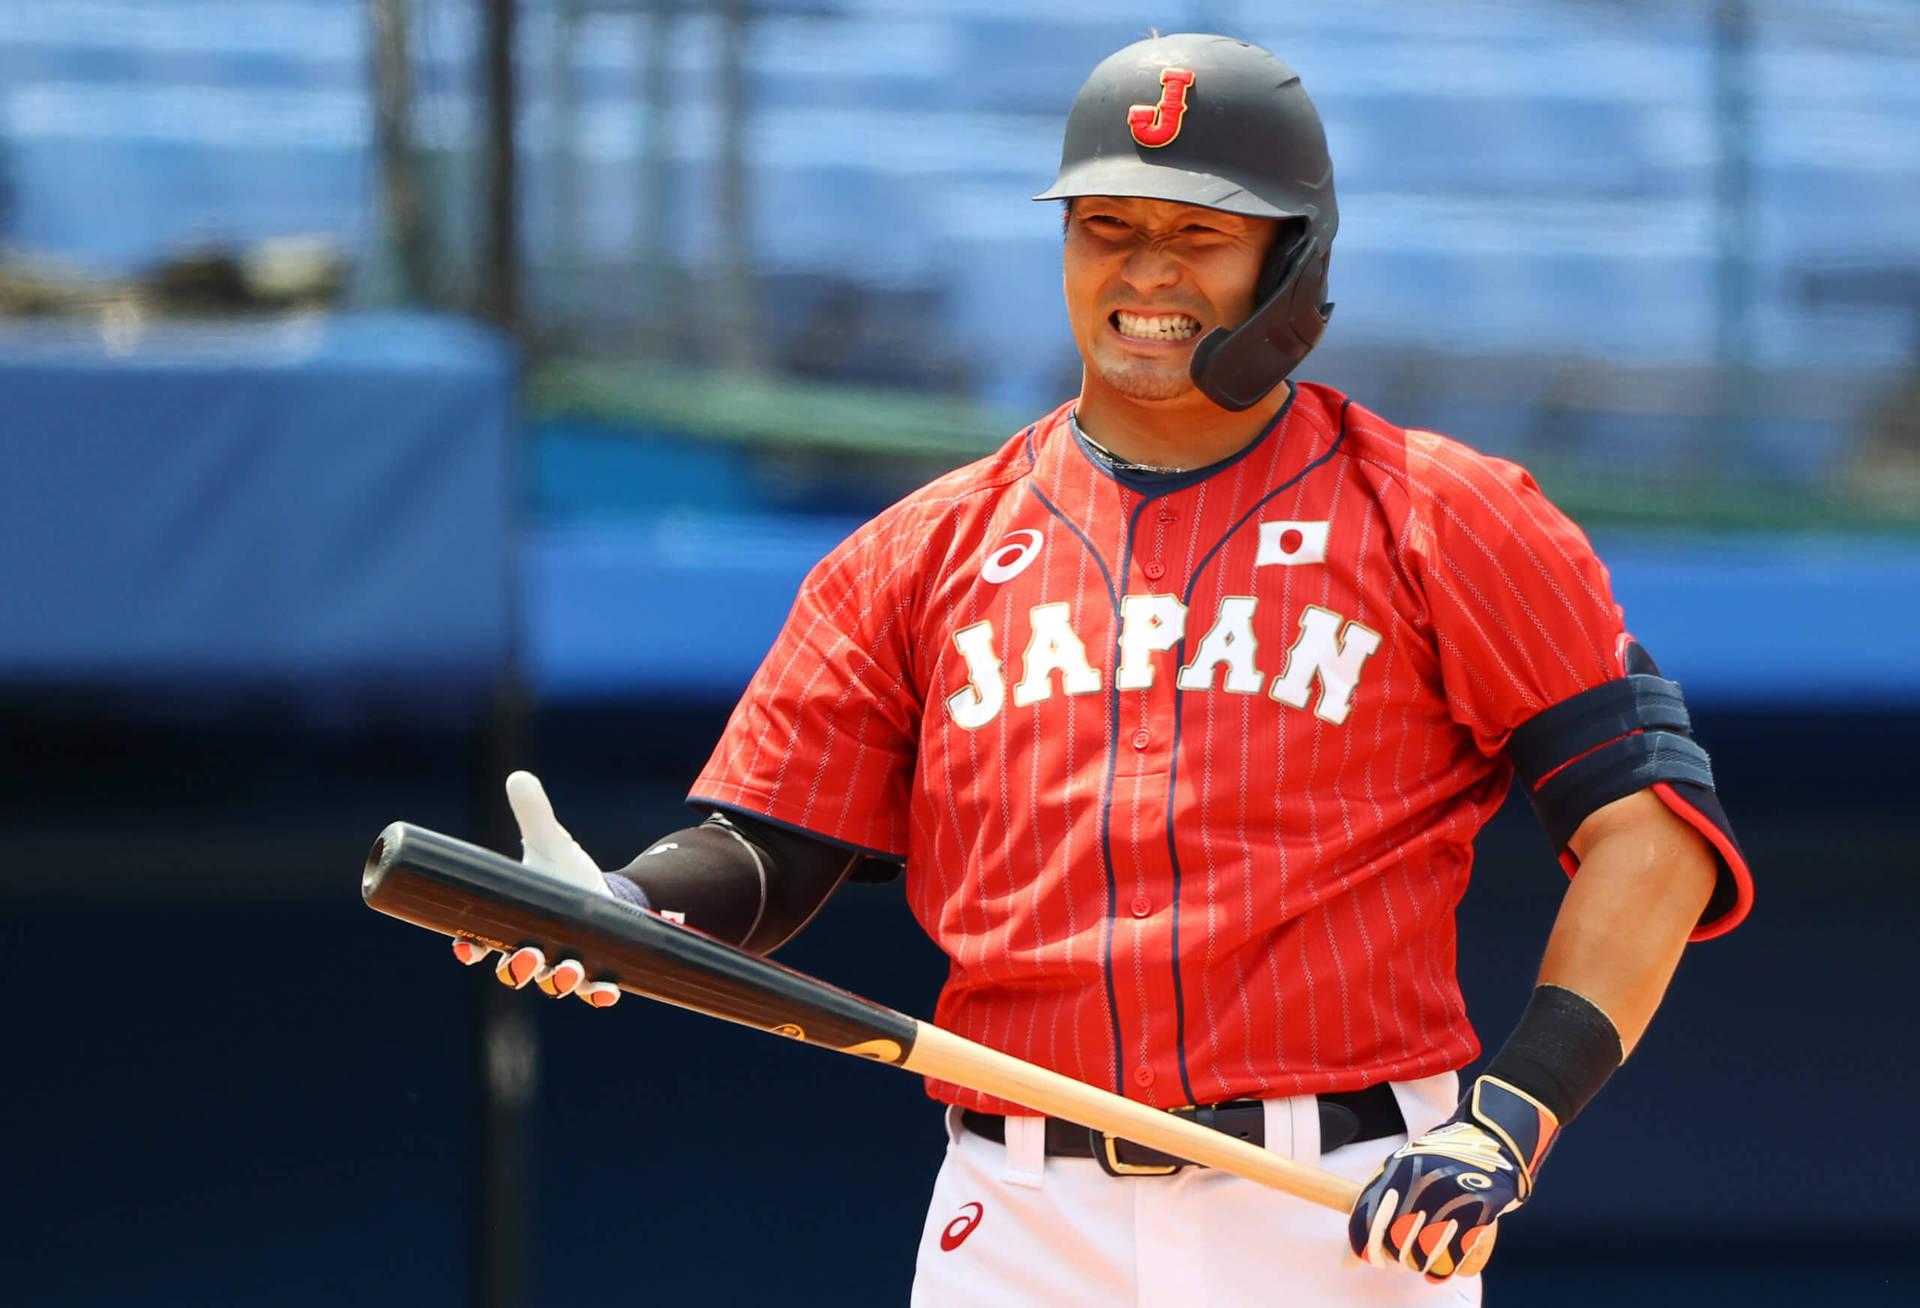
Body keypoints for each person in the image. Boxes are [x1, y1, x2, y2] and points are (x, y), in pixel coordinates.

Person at [452, 33, 1752, 1306]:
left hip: (1338, 1212)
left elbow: (1653, 834)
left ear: (1292, 259)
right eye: (1105, 226)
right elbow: (770, 854)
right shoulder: (918, 552)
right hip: (1021, 1219)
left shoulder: (1444, 515)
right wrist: (625, 904)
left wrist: (1510, 1116)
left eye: (1199, 233)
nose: (1143, 272)